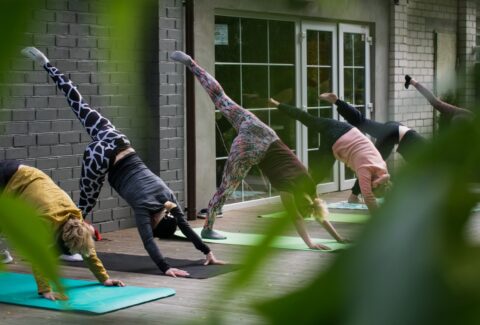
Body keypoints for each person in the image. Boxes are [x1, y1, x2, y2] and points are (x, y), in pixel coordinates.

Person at [22, 47, 223, 278]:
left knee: (79, 103)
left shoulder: (169, 197)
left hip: (118, 142)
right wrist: (166, 268)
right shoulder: (143, 209)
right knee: (81, 210)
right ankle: (62, 247)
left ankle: (47, 64)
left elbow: (186, 228)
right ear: (156, 222)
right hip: (100, 160)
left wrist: (207, 251)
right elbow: (149, 243)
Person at [170, 51, 348, 249]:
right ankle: (208, 227)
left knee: (221, 98)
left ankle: (192, 64)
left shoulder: (309, 187)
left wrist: (339, 237)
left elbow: (317, 212)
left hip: (262, 132)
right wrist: (311, 243)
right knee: (226, 188)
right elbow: (298, 218)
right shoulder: (287, 192)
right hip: (251, 150)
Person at [0, 160, 125, 300]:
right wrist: (45, 290)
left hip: (27, 173)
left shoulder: (76, 218)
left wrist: (104, 279)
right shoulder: (46, 222)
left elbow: (88, 252)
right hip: (8, 179)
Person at [268, 98, 391, 212]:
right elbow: (368, 197)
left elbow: (385, 178)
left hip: (344, 128)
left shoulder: (382, 167)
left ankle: (277, 104)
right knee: (319, 173)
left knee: (307, 118)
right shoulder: (365, 170)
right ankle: (300, 199)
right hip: (336, 140)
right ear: (375, 185)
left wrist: (377, 183)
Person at [318, 92, 427, 203]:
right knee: (368, 164)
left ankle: (337, 101)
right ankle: (353, 196)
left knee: (363, 122)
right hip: (393, 134)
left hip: (396, 129)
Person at [405, 75, 474, 131]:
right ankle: (411, 81)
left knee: (435, 102)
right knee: (435, 102)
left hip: (460, 114)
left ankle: (411, 81)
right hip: (459, 116)